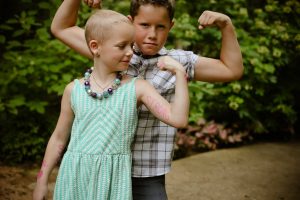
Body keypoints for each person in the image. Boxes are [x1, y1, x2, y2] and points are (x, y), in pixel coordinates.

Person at [50, 0, 244, 199]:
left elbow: (231, 70)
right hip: (101, 169)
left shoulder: (178, 61)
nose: (152, 34)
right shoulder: (113, 50)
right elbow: (61, 27)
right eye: (144, 25)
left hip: (146, 173)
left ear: (171, 26)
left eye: (160, 27)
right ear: (130, 21)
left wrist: (226, 25)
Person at [33, 9, 189, 200]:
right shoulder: (73, 90)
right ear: (95, 46)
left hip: (114, 182)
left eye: (131, 45)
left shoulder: (137, 88)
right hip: (74, 177)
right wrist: (42, 180)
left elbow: (178, 119)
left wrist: (180, 73)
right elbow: (58, 138)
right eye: (122, 46)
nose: (130, 52)